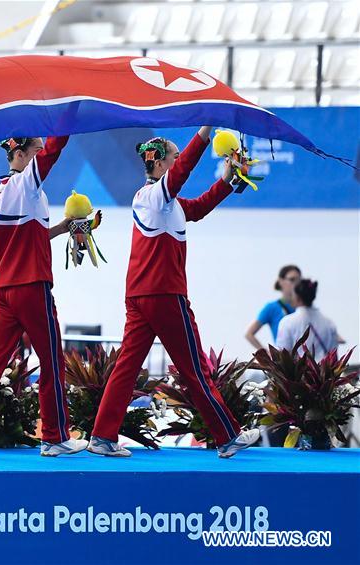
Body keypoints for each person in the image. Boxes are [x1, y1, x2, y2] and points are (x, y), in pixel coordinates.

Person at [90, 127, 260, 459]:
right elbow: (181, 177)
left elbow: (198, 208)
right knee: (194, 367)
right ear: (162, 162)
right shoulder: (155, 195)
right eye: (176, 156)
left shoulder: (162, 201)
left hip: (140, 294)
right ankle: (228, 436)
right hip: (165, 295)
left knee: (127, 367)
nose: (180, 160)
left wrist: (227, 179)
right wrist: (205, 131)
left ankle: (101, 436)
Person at [0, 134, 87, 458]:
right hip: (30, 286)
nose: (42, 156)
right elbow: (55, 149)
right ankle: (54, 437)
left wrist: (65, 227)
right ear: (23, 155)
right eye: (36, 151)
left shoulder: (3, 191)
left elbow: (27, 238)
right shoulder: (26, 185)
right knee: (53, 361)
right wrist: (67, 113)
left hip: (4, 289)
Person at [275, 279, 339, 360]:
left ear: (297, 297)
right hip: (324, 371)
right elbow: (334, 356)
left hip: (299, 372)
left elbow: (282, 354)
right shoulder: (329, 323)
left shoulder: (287, 322)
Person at [245, 265, 300, 350]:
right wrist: (267, 354)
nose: (296, 284)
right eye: (292, 280)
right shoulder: (272, 307)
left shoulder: (304, 308)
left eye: (299, 280)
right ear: (281, 281)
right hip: (285, 360)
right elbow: (249, 334)